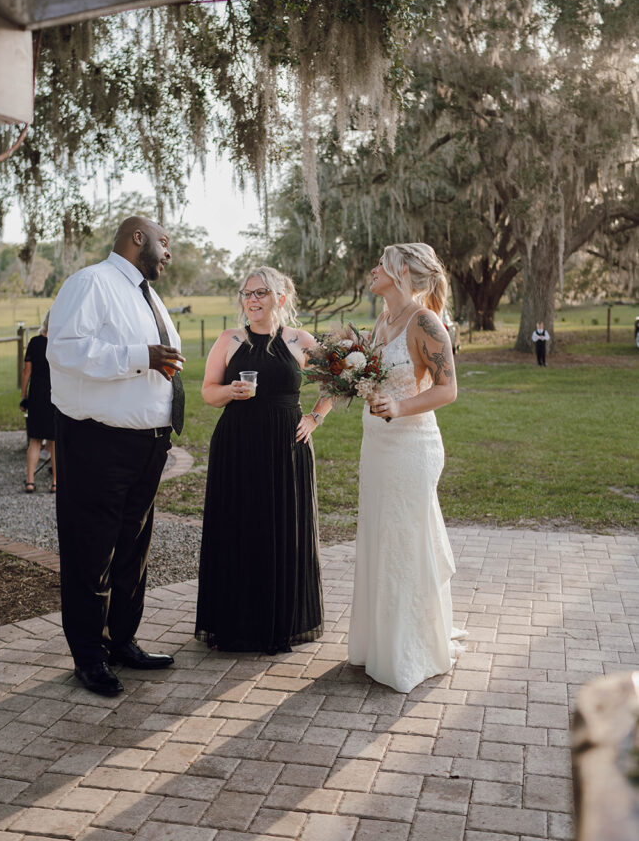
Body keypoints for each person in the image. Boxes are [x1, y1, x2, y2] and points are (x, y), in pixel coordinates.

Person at [47, 216, 185, 696]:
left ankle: (121, 641)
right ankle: (89, 656)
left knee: (132, 549)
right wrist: (138, 356)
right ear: (138, 238)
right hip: (98, 443)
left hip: (147, 444)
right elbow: (64, 349)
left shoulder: (147, 294)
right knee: (92, 552)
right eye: (164, 243)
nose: (169, 253)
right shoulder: (91, 283)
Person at [348, 242, 465, 693]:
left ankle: (408, 650)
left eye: (382, 264)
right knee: (380, 536)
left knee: (403, 541)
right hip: (376, 442)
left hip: (411, 447)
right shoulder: (383, 320)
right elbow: (376, 378)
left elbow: (447, 389)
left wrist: (399, 406)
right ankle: (377, 643)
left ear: (403, 275)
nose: (373, 269)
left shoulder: (424, 321)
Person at [195, 266, 330, 654]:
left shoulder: (299, 340)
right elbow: (207, 391)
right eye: (248, 294)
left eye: (261, 294)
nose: (252, 301)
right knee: (239, 526)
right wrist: (229, 392)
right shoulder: (228, 340)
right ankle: (237, 623)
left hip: (286, 446)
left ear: (280, 299)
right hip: (237, 444)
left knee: (282, 527)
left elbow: (337, 381)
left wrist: (315, 417)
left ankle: (280, 622)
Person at [20, 312, 56, 493]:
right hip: (55, 395)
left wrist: (23, 396)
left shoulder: (34, 343)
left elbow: (27, 372)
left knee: (35, 440)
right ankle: (56, 483)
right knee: (55, 440)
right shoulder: (59, 344)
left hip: (36, 395)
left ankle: (30, 481)